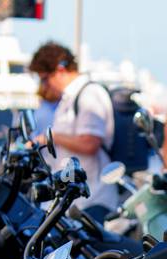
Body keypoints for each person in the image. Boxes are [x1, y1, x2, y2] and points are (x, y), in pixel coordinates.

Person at [28, 41, 116, 209]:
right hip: (74, 202)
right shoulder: (69, 99)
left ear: (60, 70)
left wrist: (51, 137)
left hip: (92, 200)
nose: (44, 86)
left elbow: (90, 143)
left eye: (45, 79)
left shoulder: (89, 94)